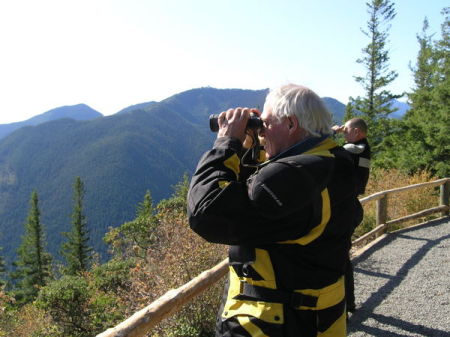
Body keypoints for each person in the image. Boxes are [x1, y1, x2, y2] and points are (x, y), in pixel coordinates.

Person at [187, 84, 363, 337]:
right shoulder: (333, 162)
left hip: (272, 323)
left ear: (291, 123)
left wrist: (226, 143)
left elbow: (206, 213)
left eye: (265, 123)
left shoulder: (291, 177)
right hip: (322, 318)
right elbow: (263, 202)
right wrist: (250, 149)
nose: (261, 131)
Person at [332, 118, 371, 315]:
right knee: (341, 255)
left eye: (346, 129)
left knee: (340, 256)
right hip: (350, 206)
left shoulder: (358, 147)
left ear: (357, 131)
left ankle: (345, 303)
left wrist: (330, 133)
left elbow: (333, 151)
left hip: (347, 208)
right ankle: (349, 302)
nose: (343, 131)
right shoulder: (361, 147)